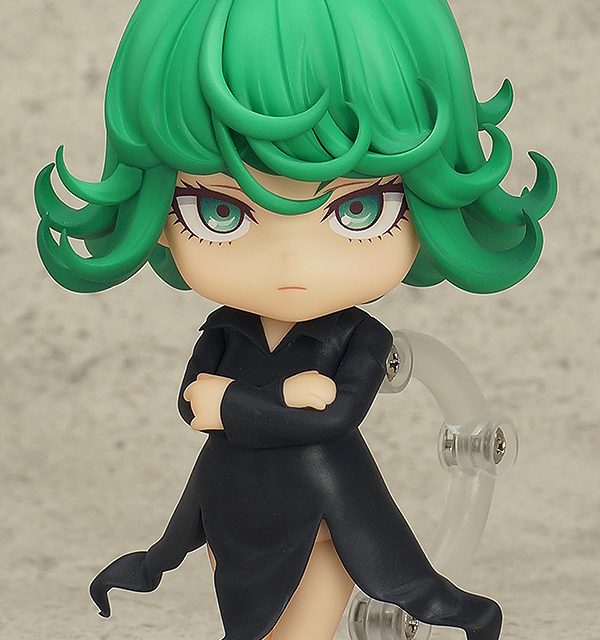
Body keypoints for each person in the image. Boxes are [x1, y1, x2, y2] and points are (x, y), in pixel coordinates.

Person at [35, 1, 557, 639]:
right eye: (220, 211)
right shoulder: (223, 330)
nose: (292, 263)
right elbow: (191, 405)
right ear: (159, 221)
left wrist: (233, 405)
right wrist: (274, 401)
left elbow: (331, 420)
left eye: (360, 209)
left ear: (428, 208)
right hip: (230, 512)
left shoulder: (359, 338)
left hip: (323, 517)